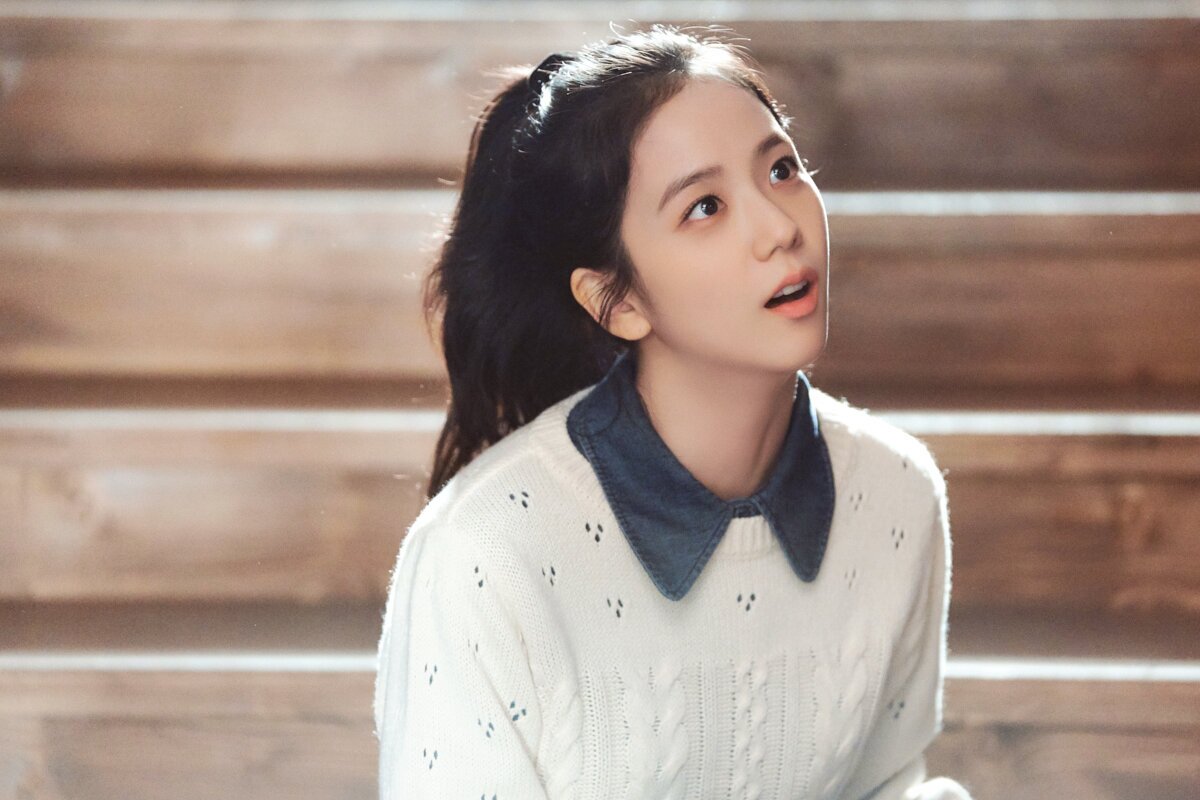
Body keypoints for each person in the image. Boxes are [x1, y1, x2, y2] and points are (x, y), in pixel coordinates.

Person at [374, 23, 972, 799]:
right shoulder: (484, 553)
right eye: (705, 207)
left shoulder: (897, 494)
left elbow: (887, 784)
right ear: (615, 301)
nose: (781, 228)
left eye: (782, 169)